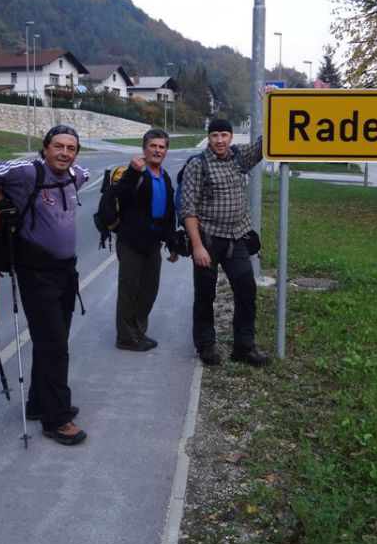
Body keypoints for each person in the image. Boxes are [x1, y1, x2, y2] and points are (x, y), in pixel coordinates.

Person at [0, 124, 90, 446]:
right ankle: (57, 419)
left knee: (52, 340)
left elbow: (86, 172)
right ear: (45, 148)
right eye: (58, 146)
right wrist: (0, 201)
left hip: (66, 272)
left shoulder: (75, 175)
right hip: (36, 273)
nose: (64, 153)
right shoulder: (27, 172)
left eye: (71, 148)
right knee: (55, 345)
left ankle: (40, 403)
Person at [178, 118, 271, 367]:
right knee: (206, 294)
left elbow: (268, 143)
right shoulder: (198, 165)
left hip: (237, 238)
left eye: (224, 135)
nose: (220, 140)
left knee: (246, 291)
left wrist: (272, 103)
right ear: (208, 138)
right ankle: (206, 346)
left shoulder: (239, 158)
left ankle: (244, 348)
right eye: (215, 135)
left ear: (231, 137)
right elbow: (188, 209)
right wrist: (197, 246)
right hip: (207, 239)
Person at [111, 128, 178, 352]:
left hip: (152, 243)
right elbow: (117, 196)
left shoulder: (165, 176)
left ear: (166, 151)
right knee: (129, 291)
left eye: (162, 147)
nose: (157, 150)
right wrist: (131, 172)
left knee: (149, 290)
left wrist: (172, 243)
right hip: (131, 242)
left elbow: (169, 212)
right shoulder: (134, 174)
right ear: (144, 149)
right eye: (153, 146)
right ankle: (125, 338)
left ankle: (138, 332)